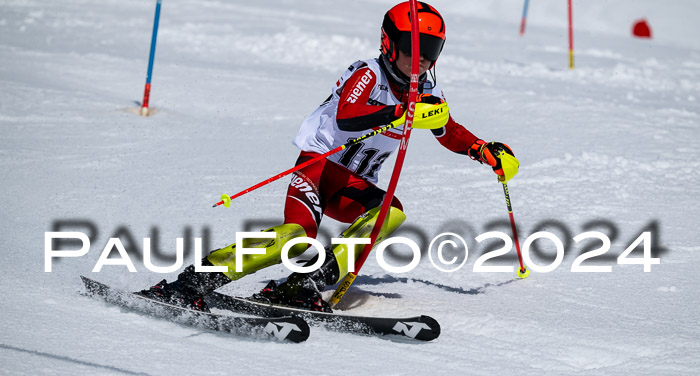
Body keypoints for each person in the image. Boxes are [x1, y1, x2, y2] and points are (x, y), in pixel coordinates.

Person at [140, 1, 519, 312]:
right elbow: (348, 116)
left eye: (430, 51)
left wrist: (484, 151)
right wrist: (398, 113)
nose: (418, 60)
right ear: (389, 43)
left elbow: (447, 130)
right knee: (296, 236)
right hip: (318, 167)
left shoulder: (427, 94)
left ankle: (304, 282)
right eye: (410, 47)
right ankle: (195, 280)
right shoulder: (367, 74)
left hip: (349, 183)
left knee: (389, 211)